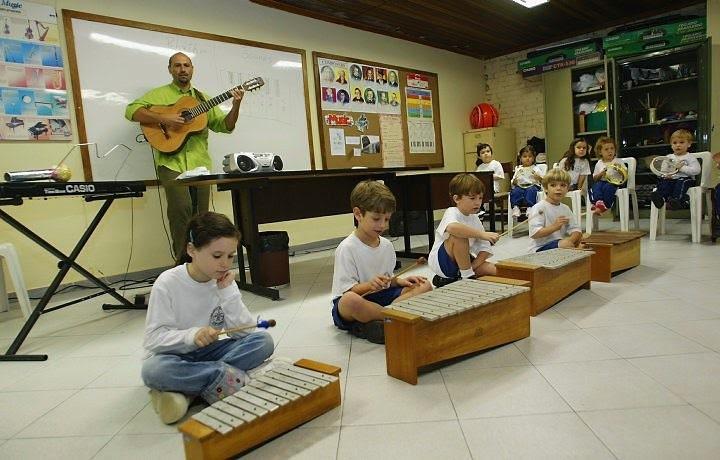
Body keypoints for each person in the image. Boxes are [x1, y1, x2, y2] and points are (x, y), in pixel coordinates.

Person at [141, 211, 274, 424]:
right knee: (153, 371)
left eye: (230, 256)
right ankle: (223, 376)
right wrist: (191, 336)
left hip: (209, 353)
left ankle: (189, 392)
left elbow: (245, 332)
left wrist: (228, 292)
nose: (225, 264)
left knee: (263, 341)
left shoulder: (223, 281)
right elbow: (153, 339)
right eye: (217, 256)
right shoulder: (167, 283)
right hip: (175, 356)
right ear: (192, 250)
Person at [125, 52, 244, 257]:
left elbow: (225, 126)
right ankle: (182, 265)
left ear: (192, 69)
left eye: (187, 65)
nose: (183, 69)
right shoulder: (158, 95)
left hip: (200, 165)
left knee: (203, 219)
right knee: (181, 211)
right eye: (178, 65)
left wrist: (236, 104)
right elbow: (131, 111)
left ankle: (204, 264)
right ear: (170, 69)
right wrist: (165, 118)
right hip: (171, 163)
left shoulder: (202, 99)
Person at [331, 180, 431, 344]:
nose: (383, 225)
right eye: (376, 218)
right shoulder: (347, 248)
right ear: (358, 214)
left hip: (383, 297)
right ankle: (394, 317)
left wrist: (399, 281)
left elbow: (388, 279)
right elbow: (346, 291)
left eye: (387, 219)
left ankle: (380, 320)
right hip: (358, 298)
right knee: (349, 301)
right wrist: (370, 285)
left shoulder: (386, 245)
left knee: (424, 286)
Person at [429, 174, 499, 287]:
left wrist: (474, 266)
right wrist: (482, 234)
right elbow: (452, 228)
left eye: (480, 198)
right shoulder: (452, 211)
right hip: (443, 263)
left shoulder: (475, 219)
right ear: (457, 199)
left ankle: (462, 275)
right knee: (459, 236)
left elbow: (485, 250)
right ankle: (466, 277)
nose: (477, 202)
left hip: (464, 263)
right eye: (472, 198)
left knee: (494, 270)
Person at [528, 168, 583, 252]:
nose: (558, 188)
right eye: (553, 185)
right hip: (540, 248)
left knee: (581, 242)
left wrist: (572, 240)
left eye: (563, 185)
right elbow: (534, 233)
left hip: (558, 243)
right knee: (567, 245)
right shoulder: (539, 207)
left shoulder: (565, 208)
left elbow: (575, 229)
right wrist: (554, 227)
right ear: (546, 188)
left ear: (567, 189)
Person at [650, 129, 701, 210]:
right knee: (664, 182)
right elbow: (663, 170)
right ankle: (659, 197)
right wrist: (666, 175)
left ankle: (676, 200)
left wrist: (682, 168)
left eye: (681, 142)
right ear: (671, 145)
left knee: (681, 182)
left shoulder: (690, 157)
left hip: (686, 179)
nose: (678, 145)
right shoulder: (669, 157)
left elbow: (696, 170)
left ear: (689, 144)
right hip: (672, 178)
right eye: (675, 143)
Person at [589, 136, 626, 214]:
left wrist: (619, 170)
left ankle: (605, 205)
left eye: (612, 148)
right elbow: (595, 178)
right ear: (600, 152)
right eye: (606, 149)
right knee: (595, 187)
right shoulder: (599, 163)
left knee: (608, 187)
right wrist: (601, 174)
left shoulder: (618, 161)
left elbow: (625, 175)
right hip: (602, 182)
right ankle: (598, 202)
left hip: (615, 182)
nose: (610, 151)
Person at [510, 145, 544, 219]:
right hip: (520, 186)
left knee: (531, 190)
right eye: (525, 156)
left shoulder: (535, 168)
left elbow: (544, 180)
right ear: (521, 158)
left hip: (532, 186)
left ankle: (530, 207)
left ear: (533, 158)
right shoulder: (518, 169)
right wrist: (514, 182)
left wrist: (539, 178)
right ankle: (515, 207)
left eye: (530, 156)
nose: (527, 158)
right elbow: (513, 181)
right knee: (515, 191)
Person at [475, 143, 504, 216]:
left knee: (482, 192)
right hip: (481, 188)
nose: (486, 154)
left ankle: (480, 209)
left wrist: (489, 176)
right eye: (483, 152)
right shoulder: (480, 167)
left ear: (491, 153)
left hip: (493, 188)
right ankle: (478, 210)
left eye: (488, 151)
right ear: (479, 156)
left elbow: (501, 176)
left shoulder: (496, 164)